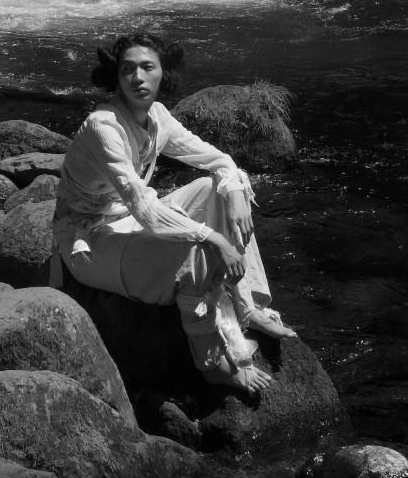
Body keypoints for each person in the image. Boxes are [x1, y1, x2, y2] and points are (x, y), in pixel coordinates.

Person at [53, 30, 295, 394]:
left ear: (163, 72)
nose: (137, 77)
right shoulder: (103, 126)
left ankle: (248, 306)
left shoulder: (158, 117)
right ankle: (213, 364)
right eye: (127, 69)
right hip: (90, 240)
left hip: (128, 220)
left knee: (217, 189)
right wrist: (214, 238)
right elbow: (144, 207)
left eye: (147, 67)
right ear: (116, 77)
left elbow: (217, 159)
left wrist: (234, 191)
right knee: (196, 254)